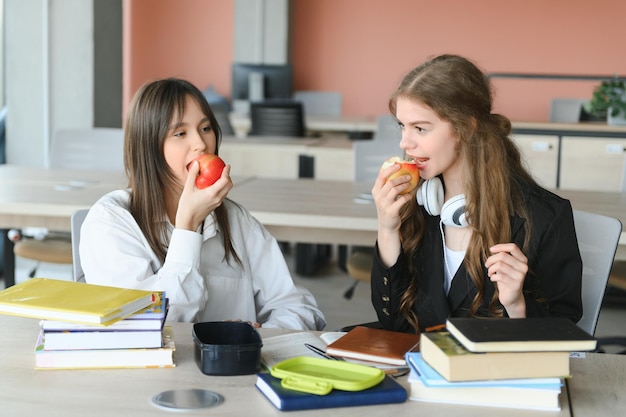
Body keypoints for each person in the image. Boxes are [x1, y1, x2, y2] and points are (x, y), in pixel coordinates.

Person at [80, 78, 326, 330]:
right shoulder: (110, 222)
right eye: (180, 133)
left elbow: (299, 307)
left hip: (234, 368)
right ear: (148, 147)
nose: (200, 143)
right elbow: (145, 327)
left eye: (205, 128)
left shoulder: (234, 218)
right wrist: (187, 229)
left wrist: (258, 335)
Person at [371, 54, 582, 334]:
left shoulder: (544, 216)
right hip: (418, 370)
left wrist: (517, 304)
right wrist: (387, 229)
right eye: (402, 126)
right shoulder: (416, 204)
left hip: (494, 373)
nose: (404, 142)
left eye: (420, 128)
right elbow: (392, 322)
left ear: (466, 128)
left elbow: (564, 330)